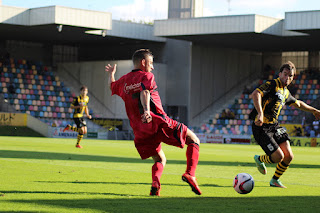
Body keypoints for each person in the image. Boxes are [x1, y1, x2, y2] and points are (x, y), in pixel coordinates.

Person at [105, 49, 201, 196]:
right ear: (143, 62)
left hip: (140, 130)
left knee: (159, 158)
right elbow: (145, 92)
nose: (152, 67)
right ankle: (190, 174)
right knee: (194, 140)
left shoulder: (124, 81)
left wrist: (111, 74)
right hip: (157, 121)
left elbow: (112, 86)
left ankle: (155, 185)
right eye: (151, 63)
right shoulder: (146, 76)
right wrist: (147, 111)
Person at [249, 61, 320, 188]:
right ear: (280, 73)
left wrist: (314, 110)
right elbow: (256, 94)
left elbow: (298, 103)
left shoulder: (285, 92)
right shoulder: (272, 84)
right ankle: (259, 159)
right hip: (261, 126)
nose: (287, 78)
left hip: (274, 125)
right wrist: (260, 113)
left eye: (291, 76)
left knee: (289, 156)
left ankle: (275, 180)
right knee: (278, 157)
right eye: (285, 74)